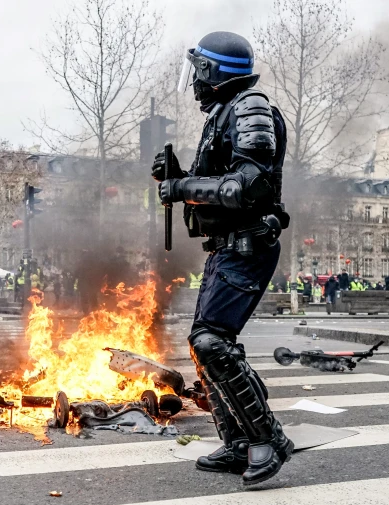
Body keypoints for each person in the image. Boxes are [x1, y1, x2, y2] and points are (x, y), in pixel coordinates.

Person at [155, 32, 292, 484]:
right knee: (204, 343)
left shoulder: (251, 105)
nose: (193, 82)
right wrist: (180, 178)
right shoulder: (225, 112)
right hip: (229, 245)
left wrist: (180, 188)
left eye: (198, 72)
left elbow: (245, 186)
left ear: (214, 73)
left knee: (213, 342)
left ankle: (267, 438)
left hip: (249, 244)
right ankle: (236, 442)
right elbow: (214, 184)